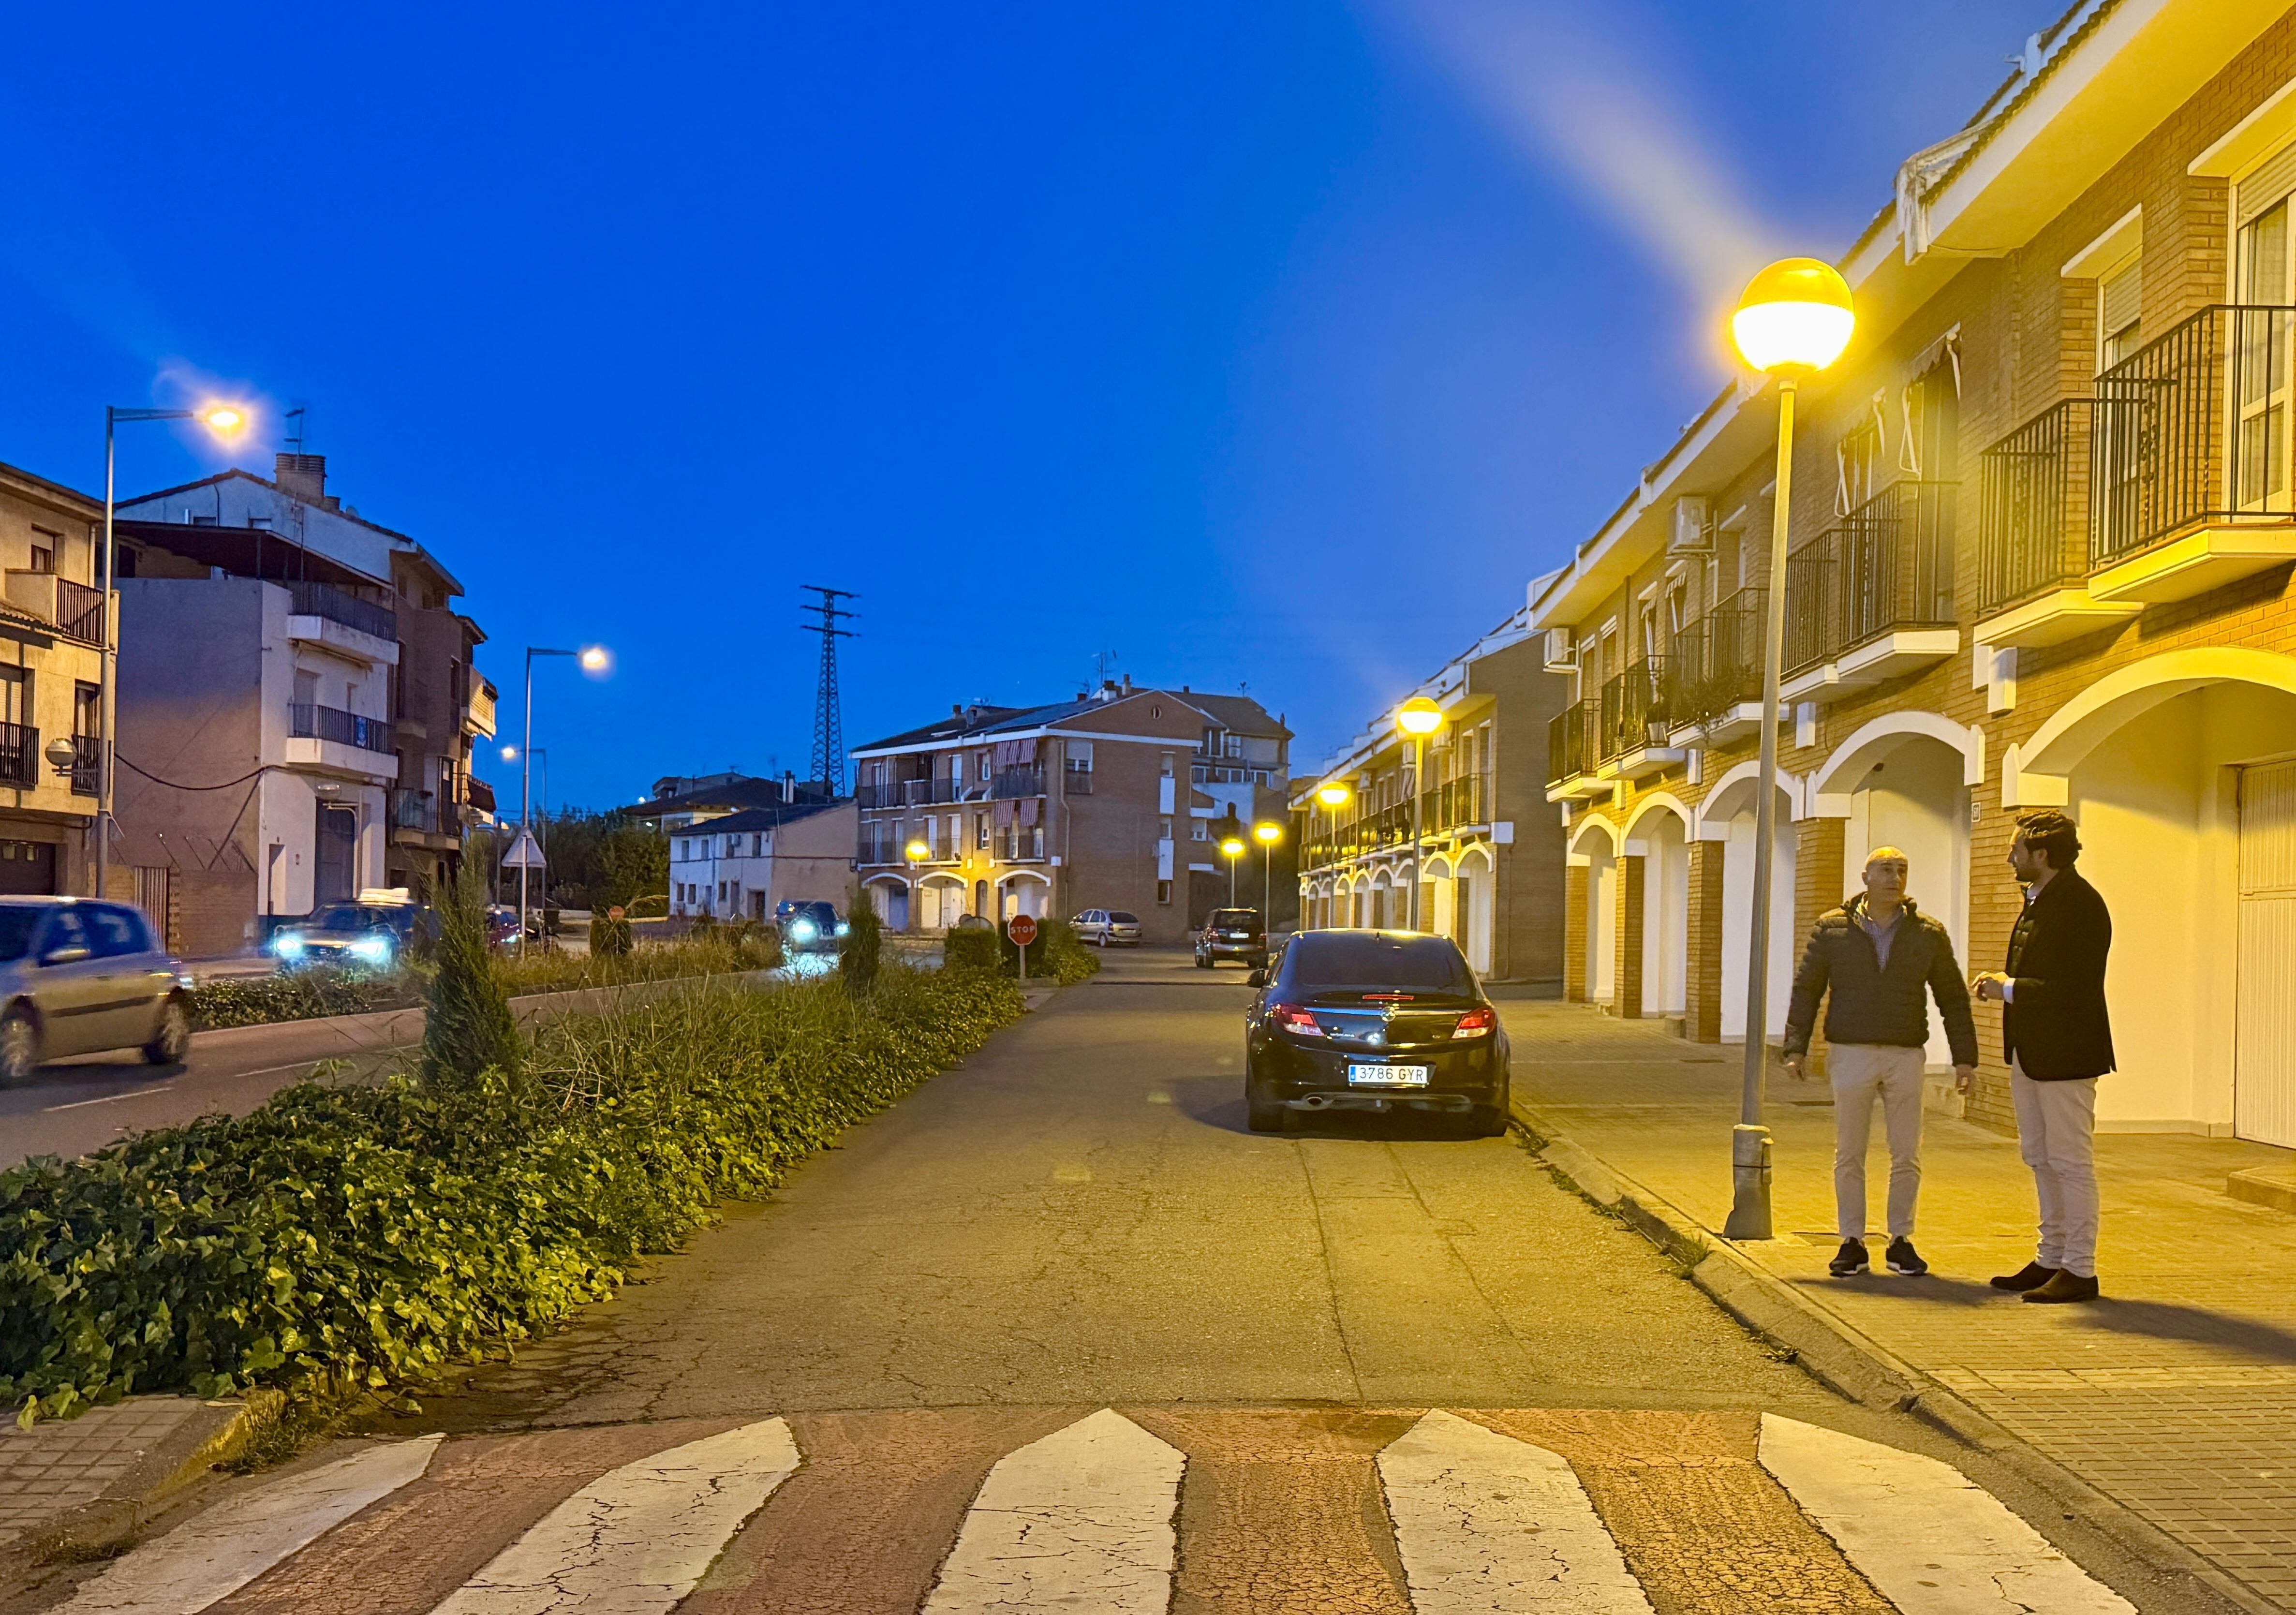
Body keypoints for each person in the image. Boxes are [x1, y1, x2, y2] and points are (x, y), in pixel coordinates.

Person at [1784, 846, 1978, 1279]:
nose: (1895, 877)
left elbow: (1952, 997)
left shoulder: (1927, 932)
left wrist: (1965, 1058)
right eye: (1886, 869)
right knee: (1849, 1150)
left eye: (1902, 870)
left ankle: (1900, 1239)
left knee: (1906, 1151)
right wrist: (1795, 1046)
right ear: (1865, 876)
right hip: (1851, 1051)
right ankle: (1851, 1240)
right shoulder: (1832, 929)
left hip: (1905, 1053)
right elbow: (1807, 989)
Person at [1973, 809, 2113, 1304]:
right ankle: (2050, 1256)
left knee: (2070, 1162)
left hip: (2067, 1054)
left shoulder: (2079, 904)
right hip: (2032, 1054)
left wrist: (2005, 988)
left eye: (2017, 850)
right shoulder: (2040, 899)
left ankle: (2080, 1269)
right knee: (2038, 1156)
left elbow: (2072, 988)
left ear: (2042, 855)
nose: (2010, 856)